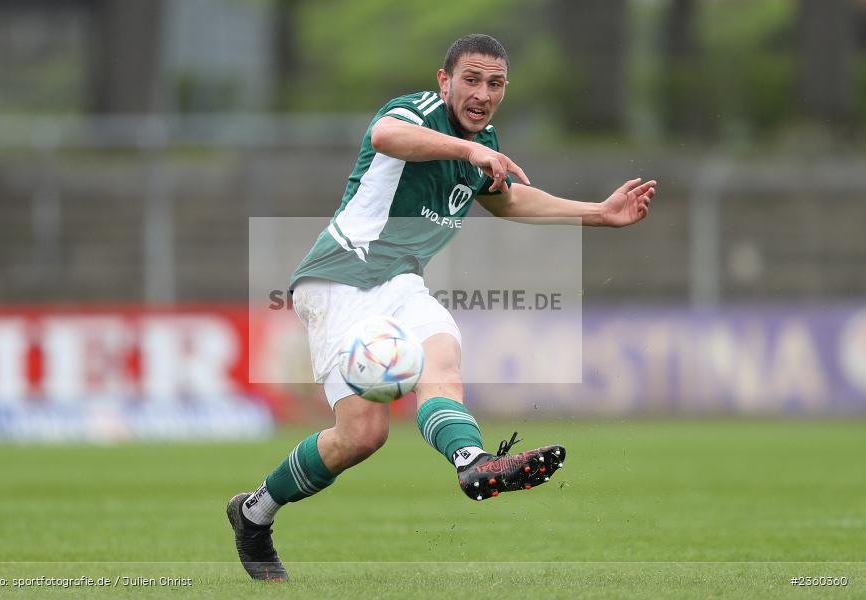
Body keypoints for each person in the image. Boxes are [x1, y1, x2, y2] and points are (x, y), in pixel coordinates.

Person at [227, 33, 655, 581]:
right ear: (444, 81)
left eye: (495, 83)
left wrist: (599, 212)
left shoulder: (485, 145)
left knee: (439, 360)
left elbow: (510, 200)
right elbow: (386, 135)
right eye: (471, 79)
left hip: (401, 284)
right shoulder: (419, 111)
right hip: (341, 277)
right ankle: (254, 514)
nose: (482, 93)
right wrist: (468, 149)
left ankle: (472, 463)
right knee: (362, 435)